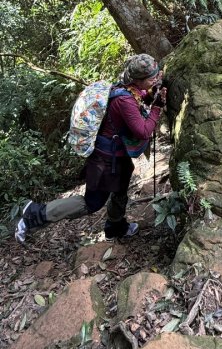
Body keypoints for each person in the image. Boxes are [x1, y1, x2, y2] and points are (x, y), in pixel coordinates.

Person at [15, 54, 167, 243]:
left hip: (116, 156)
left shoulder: (126, 88)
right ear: (138, 80)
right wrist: (157, 106)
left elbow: (140, 97)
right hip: (105, 160)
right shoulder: (124, 101)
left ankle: (116, 227)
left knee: (120, 188)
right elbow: (144, 131)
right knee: (91, 203)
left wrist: (152, 94)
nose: (156, 79)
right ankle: (35, 213)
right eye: (152, 78)